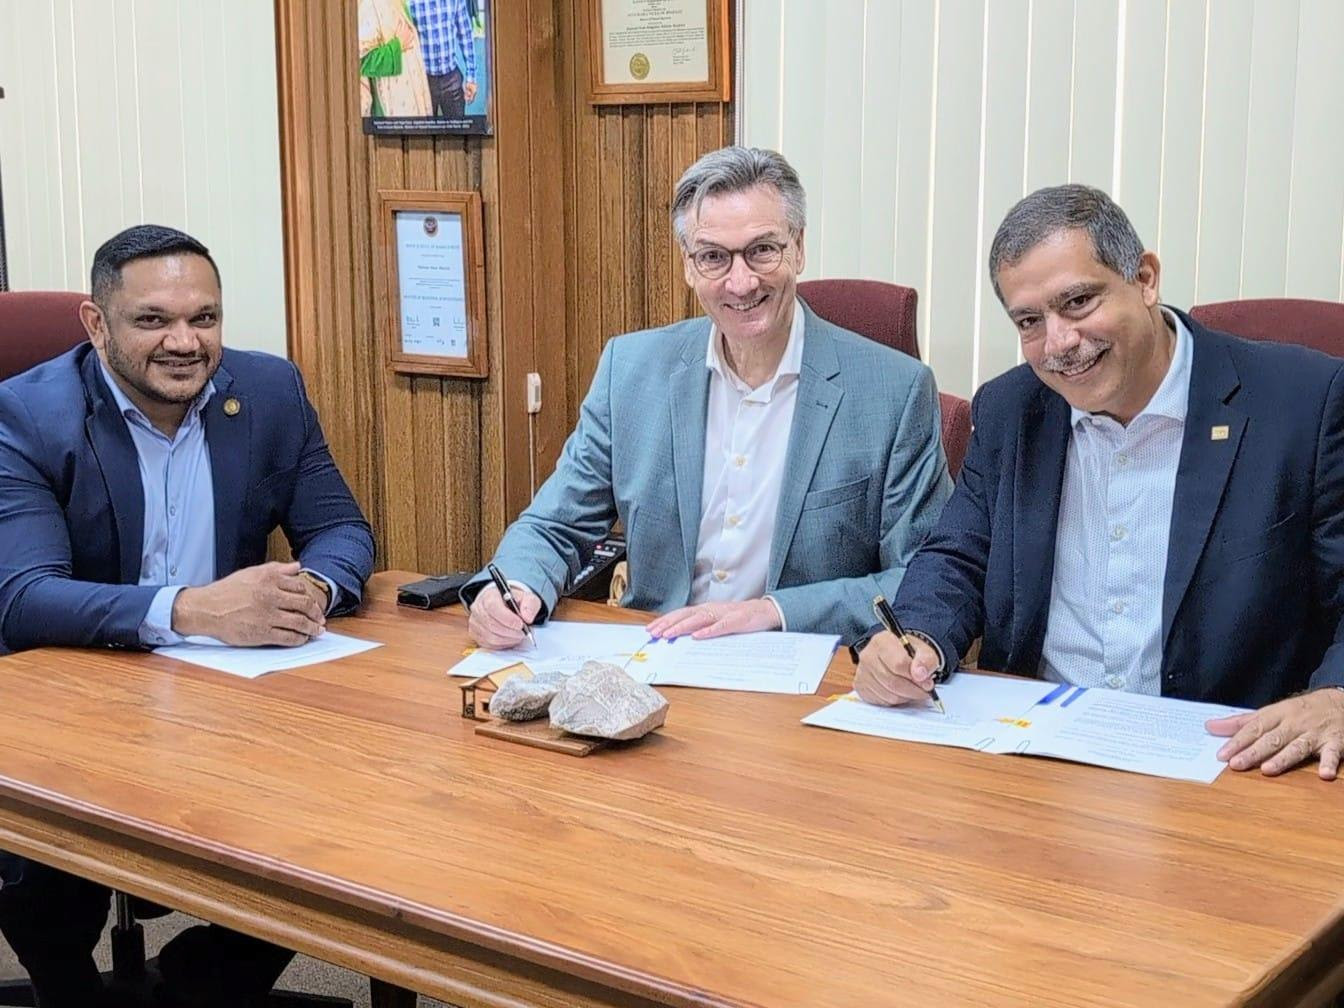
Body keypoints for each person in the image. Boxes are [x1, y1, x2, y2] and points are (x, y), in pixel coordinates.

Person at [0, 224, 375, 1005]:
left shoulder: (269, 391)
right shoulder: (27, 417)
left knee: (340, 821)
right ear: (95, 324)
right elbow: (26, 595)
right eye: (154, 320)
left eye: (204, 318)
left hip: (233, 693)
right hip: (78, 693)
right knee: (47, 866)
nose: (185, 342)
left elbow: (341, 529)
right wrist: (193, 609)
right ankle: (71, 988)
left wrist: (317, 588)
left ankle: (199, 981)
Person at [854, 183, 1344, 780]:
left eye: (1079, 302)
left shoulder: (1303, 402)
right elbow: (959, 555)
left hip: (1227, 758)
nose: (1059, 342)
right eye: (1030, 321)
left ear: (1144, 278)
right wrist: (918, 637)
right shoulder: (1012, 409)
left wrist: (1337, 696)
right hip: (1037, 751)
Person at [463, 145, 952, 647]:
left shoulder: (894, 392)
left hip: (800, 676)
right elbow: (553, 526)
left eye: (763, 250)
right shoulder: (630, 371)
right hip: (653, 663)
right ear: (689, 266)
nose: (740, 282)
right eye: (714, 257)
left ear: (798, 248)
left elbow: (922, 579)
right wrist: (513, 588)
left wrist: (773, 612)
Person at [358, 0, 433, 118]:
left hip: (414, 104)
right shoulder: (370, 5)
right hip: (394, 110)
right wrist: (397, 46)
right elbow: (361, 63)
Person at [408, 0, 479, 119]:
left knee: (457, 133)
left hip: (452, 80)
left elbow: (465, 34)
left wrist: (471, 78)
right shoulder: (410, 2)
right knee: (424, 135)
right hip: (423, 82)